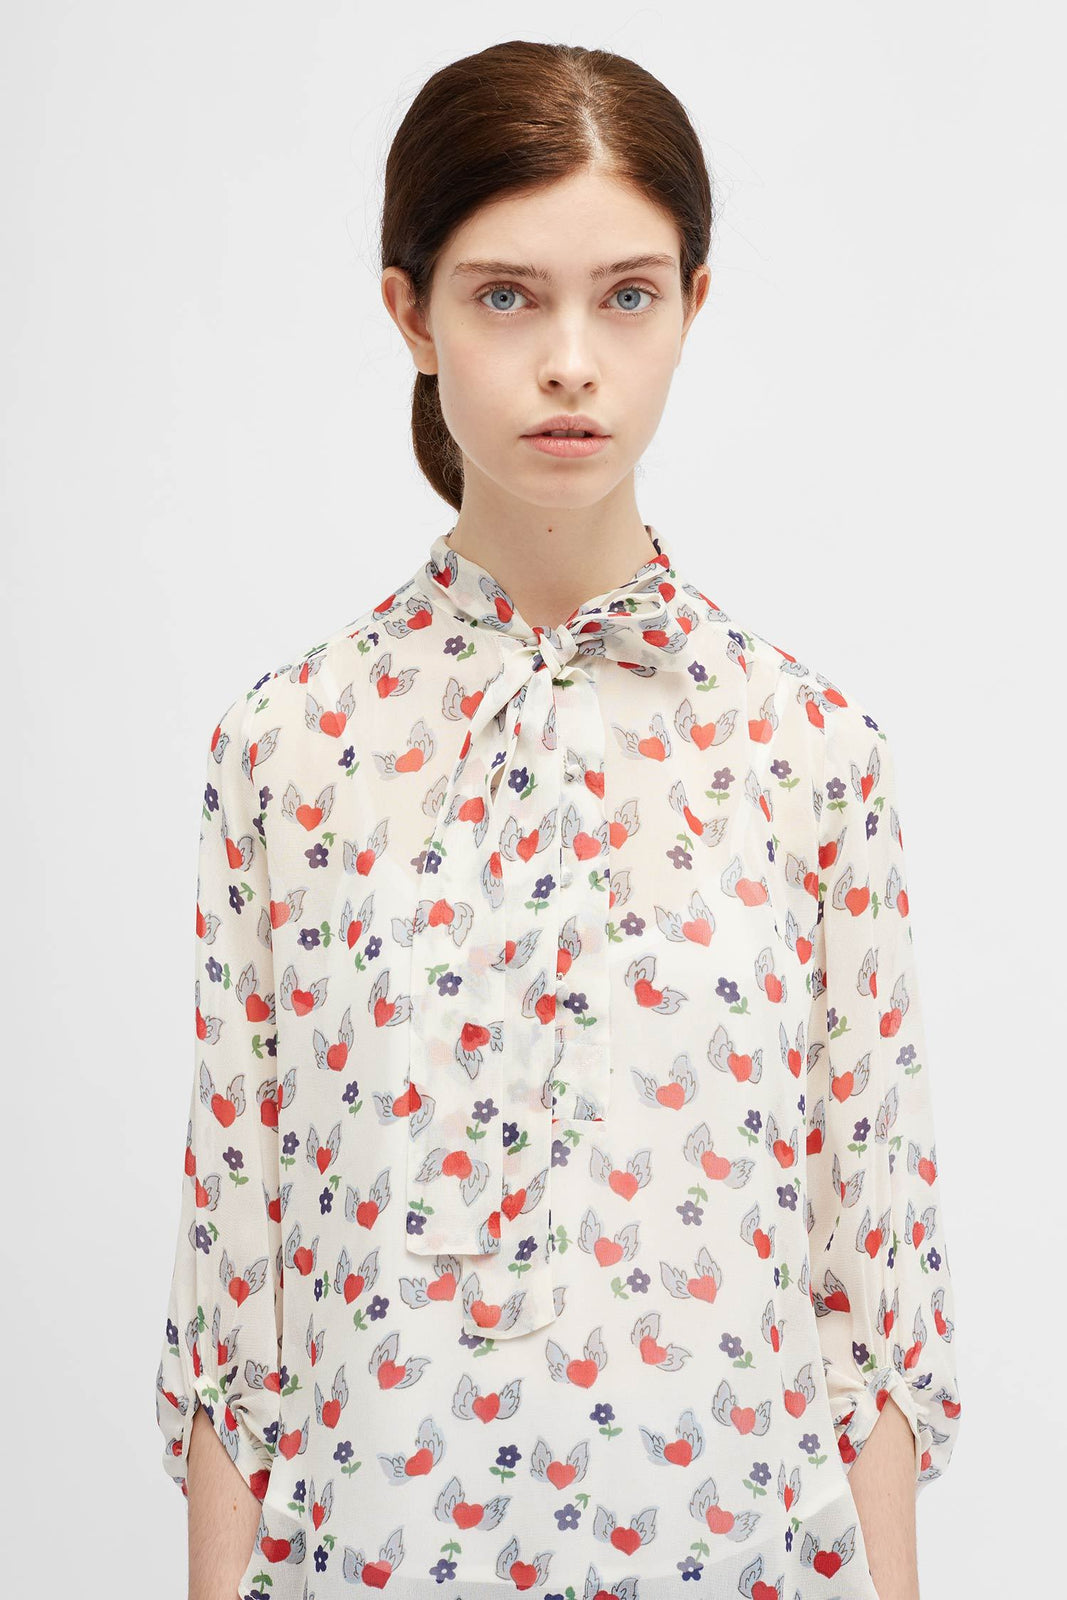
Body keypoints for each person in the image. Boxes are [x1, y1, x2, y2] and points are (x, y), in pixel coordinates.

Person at [153, 39, 962, 1600]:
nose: (572, 361)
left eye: (628, 295)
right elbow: (234, 1281)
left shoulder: (811, 757)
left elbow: (871, 1288)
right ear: (413, 313)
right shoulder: (288, 753)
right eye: (508, 296)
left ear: (694, 307)